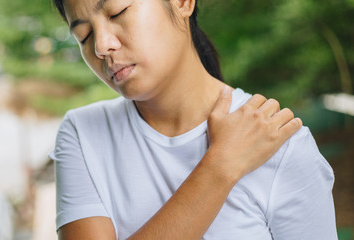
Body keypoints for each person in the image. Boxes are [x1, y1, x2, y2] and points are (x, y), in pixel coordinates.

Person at [49, 0, 338, 239]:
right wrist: (220, 165)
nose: (101, 46)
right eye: (84, 36)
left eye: (117, 12)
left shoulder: (280, 144)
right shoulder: (83, 134)